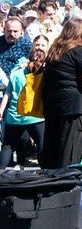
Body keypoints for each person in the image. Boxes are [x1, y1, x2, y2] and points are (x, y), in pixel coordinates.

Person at [39, 17, 82, 168]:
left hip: (53, 103)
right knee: (70, 148)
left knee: (53, 144)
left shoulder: (54, 50)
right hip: (74, 106)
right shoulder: (81, 50)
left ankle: (50, 180)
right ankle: (66, 182)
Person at [1, 35, 47, 168]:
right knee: (41, 145)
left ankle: (1, 173)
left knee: (7, 145)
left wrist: (1, 110)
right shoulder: (43, 74)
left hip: (14, 116)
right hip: (36, 117)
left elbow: (7, 93)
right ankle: (45, 173)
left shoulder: (16, 73)